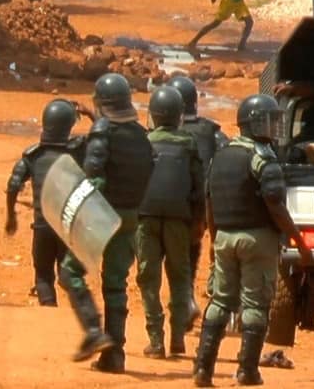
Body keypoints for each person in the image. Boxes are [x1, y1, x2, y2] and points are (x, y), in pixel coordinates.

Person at [192, 94, 314, 387]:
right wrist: (298, 241)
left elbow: (210, 202)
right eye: (270, 121)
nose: (274, 127)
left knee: (220, 301)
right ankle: (247, 371)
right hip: (257, 240)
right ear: (256, 124)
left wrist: (214, 239)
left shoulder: (220, 156)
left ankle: (203, 368)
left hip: (224, 237)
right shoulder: (263, 159)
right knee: (255, 305)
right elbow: (275, 205)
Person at [59, 73, 154, 373]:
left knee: (70, 272)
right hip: (130, 217)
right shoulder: (140, 135)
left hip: (103, 214)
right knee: (115, 284)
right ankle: (114, 356)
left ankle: (92, 331)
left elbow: (95, 174)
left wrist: (81, 211)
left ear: (101, 102)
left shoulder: (102, 130)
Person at [137, 86, 205, 359]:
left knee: (148, 277)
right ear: (180, 115)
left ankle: (156, 340)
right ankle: (177, 338)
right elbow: (199, 188)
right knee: (179, 276)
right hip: (179, 220)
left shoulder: (144, 142)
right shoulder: (189, 143)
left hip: (146, 218)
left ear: (153, 114)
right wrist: (199, 222)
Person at [5, 99, 89, 306]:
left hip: (42, 226)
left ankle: (49, 310)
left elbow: (13, 185)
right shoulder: (77, 152)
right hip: (67, 226)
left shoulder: (32, 156)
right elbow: (104, 135)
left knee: (43, 276)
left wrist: (11, 216)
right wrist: (90, 113)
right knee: (67, 272)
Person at [167, 75, 228, 326]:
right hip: (204, 206)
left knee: (172, 256)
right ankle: (191, 300)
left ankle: (185, 301)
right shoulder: (212, 132)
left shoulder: (167, 132)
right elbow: (226, 161)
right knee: (193, 251)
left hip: (172, 203)